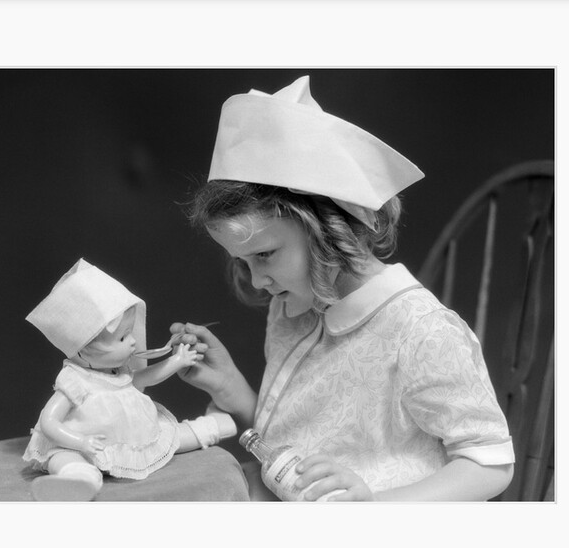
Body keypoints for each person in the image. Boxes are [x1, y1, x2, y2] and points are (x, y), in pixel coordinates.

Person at [170, 75, 515, 502]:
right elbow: (295, 439)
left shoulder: (420, 331)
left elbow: (489, 464)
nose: (257, 281)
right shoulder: (292, 309)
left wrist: (373, 507)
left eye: (264, 255)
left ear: (327, 231)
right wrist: (233, 391)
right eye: (243, 262)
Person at [22, 258, 236, 501]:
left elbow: (144, 377)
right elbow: (49, 421)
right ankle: (78, 479)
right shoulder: (76, 381)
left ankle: (210, 427)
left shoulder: (118, 372)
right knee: (61, 456)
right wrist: (80, 441)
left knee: (169, 437)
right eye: (123, 338)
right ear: (85, 349)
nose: (133, 341)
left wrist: (176, 361)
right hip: (87, 444)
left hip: (132, 436)